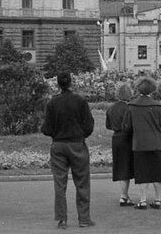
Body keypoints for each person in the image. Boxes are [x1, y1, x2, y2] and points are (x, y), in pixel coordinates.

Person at [42, 72, 95, 229]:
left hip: (58, 145)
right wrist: (81, 135)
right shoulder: (80, 100)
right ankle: (84, 219)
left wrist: (54, 134)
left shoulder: (52, 103)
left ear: (58, 84)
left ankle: (62, 219)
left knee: (60, 183)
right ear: (71, 82)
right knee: (82, 183)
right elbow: (89, 125)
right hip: (77, 144)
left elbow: (46, 128)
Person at [122, 76, 161, 210]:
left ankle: (143, 200)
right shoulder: (158, 106)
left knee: (142, 173)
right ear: (153, 89)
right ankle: (157, 200)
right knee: (158, 173)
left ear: (138, 88)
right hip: (158, 144)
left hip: (139, 144)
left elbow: (126, 127)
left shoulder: (131, 106)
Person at [106, 81, 135, 207]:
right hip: (127, 138)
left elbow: (108, 125)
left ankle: (124, 195)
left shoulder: (111, 108)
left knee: (120, 166)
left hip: (116, 138)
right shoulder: (129, 108)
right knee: (126, 167)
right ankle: (124, 196)